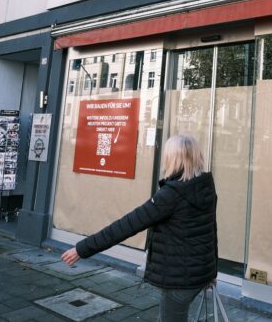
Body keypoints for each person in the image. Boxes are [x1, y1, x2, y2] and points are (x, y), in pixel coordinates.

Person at [61, 134, 217, 321]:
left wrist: (81, 249)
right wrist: (210, 271)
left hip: (179, 281)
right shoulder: (204, 187)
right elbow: (210, 232)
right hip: (197, 275)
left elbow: (126, 226)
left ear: (173, 158)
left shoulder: (171, 195)